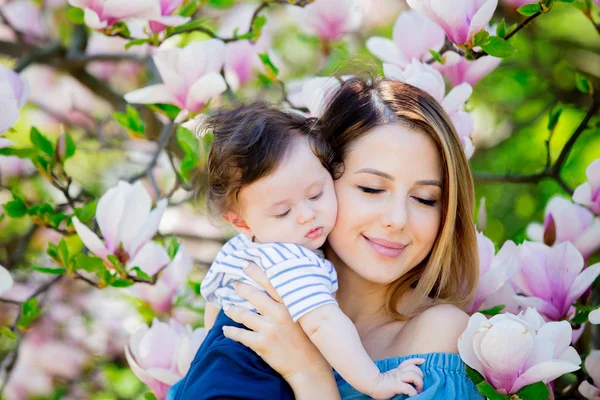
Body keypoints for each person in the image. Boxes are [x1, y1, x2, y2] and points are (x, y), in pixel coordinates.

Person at [173, 76, 484, 399]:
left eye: (424, 198)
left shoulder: (436, 335)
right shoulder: (263, 294)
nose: (397, 220)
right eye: (371, 189)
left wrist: (309, 374)